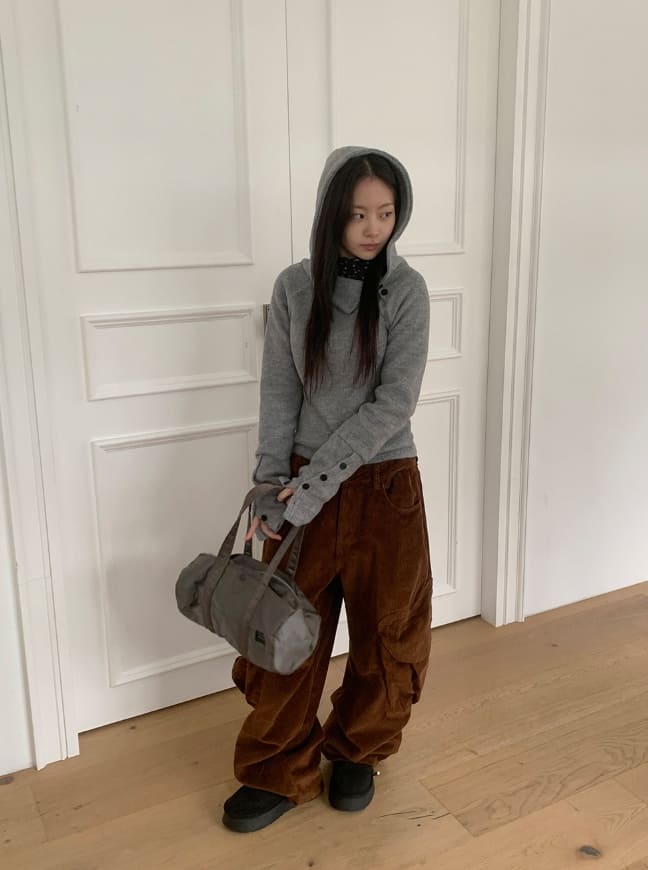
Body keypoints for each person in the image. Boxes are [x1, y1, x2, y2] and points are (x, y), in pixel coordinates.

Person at [222, 146, 433, 833]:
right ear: (330, 214)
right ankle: (276, 768)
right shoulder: (294, 287)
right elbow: (279, 391)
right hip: (300, 488)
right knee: (284, 634)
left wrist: (311, 485)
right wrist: (269, 482)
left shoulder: (407, 291)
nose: (373, 228)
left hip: (384, 484)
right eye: (357, 214)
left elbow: (393, 404)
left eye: (386, 213)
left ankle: (357, 753)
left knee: (387, 635)